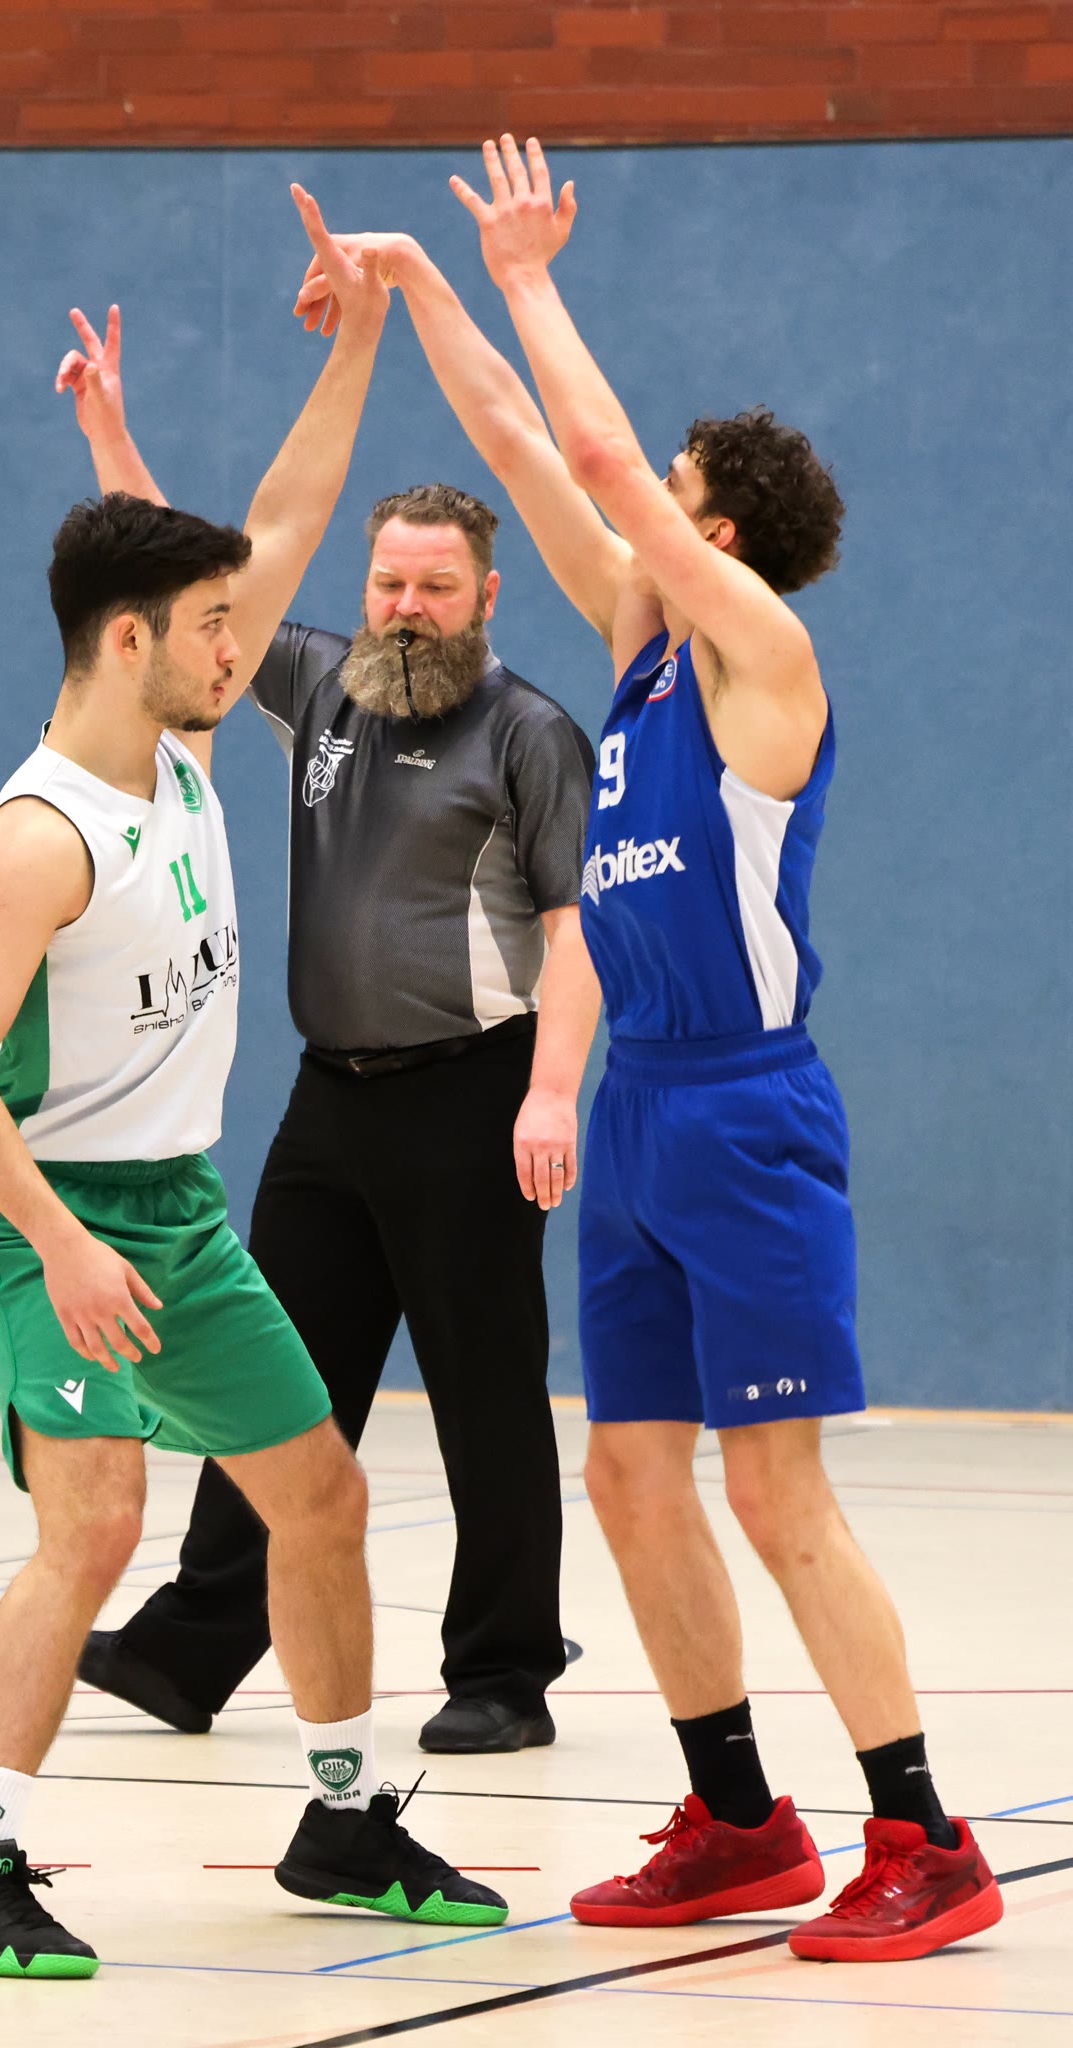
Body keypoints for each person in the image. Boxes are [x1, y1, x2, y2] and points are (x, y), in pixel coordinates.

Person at [294, 136, 1002, 1962]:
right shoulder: (642, 656)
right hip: (640, 1114)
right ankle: (740, 1819)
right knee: (627, 1474)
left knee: (777, 1491)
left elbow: (602, 458)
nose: (637, 518)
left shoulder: (764, 653)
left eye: (676, 503)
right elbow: (536, 453)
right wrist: (421, 286)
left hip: (752, 1108)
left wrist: (532, 276)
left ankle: (926, 1837)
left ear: (723, 535)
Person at [0, 224, 508, 1984]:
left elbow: (283, 510)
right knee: (95, 1521)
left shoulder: (177, 743)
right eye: (212, 629)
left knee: (320, 1497)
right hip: (48, 1212)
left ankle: (341, 1818)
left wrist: (358, 341)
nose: (245, 646)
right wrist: (57, 1247)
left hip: (170, 1205)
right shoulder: (43, 835)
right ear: (127, 641)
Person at [56, 208, 599, 1758]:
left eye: (437, 587)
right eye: (390, 584)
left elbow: (579, 934)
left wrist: (553, 1092)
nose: (407, 607)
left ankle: (503, 1670)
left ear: (486, 595)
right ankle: (193, 1647)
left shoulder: (530, 735)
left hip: (474, 1101)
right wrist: (111, 435)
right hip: (330, 1103)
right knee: (276, 1380)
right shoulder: (320, 683)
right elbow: (201, 598)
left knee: (488, 1393)